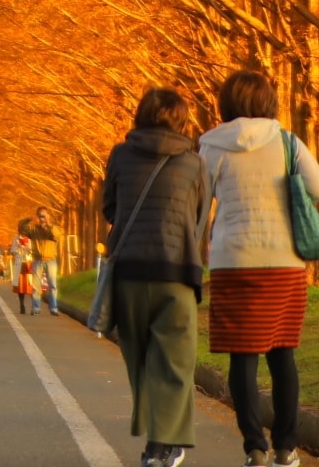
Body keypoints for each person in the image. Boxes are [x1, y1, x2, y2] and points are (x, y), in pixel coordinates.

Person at [199, 70, 319, 467]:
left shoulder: (210, 146)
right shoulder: (287, 141)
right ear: (267, 101)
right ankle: (286, 448)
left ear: (227, 103)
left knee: (243, 356)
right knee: (282, 354)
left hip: (233, 261)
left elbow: (200, 206)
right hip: (283, 262)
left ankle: (254, 446)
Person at [103, 87, 210, 467]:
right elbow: (199, 217)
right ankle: (166, 445)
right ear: (181, 121)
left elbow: (109, 207)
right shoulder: (194, 163)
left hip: (129, 272)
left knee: (141, 360)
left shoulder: (119, 155)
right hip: (176, 272)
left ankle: (154, 444)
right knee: (176, 362)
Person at [22, 206, 64, 315]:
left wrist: (48, 225)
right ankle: (36, 307)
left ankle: (53, 308)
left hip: (51, 260)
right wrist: (29, 219)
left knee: (52, 285)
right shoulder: (34, 229)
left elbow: (57, 236)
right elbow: (22, 229)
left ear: (48, 216)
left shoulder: (52, 228)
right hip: (38, 260)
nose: (42, 218)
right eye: (40, 215)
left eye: (44, 215)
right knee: (36, 286)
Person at [14, 235, 37, 314]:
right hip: (20, 264)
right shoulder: (16, 239)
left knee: (31, 286)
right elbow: (13, 251)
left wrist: (25, 246)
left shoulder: (31, 239)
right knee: (20, 287)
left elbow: (32, 250)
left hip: (29, 264)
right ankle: (22, 305)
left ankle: (33, 307)